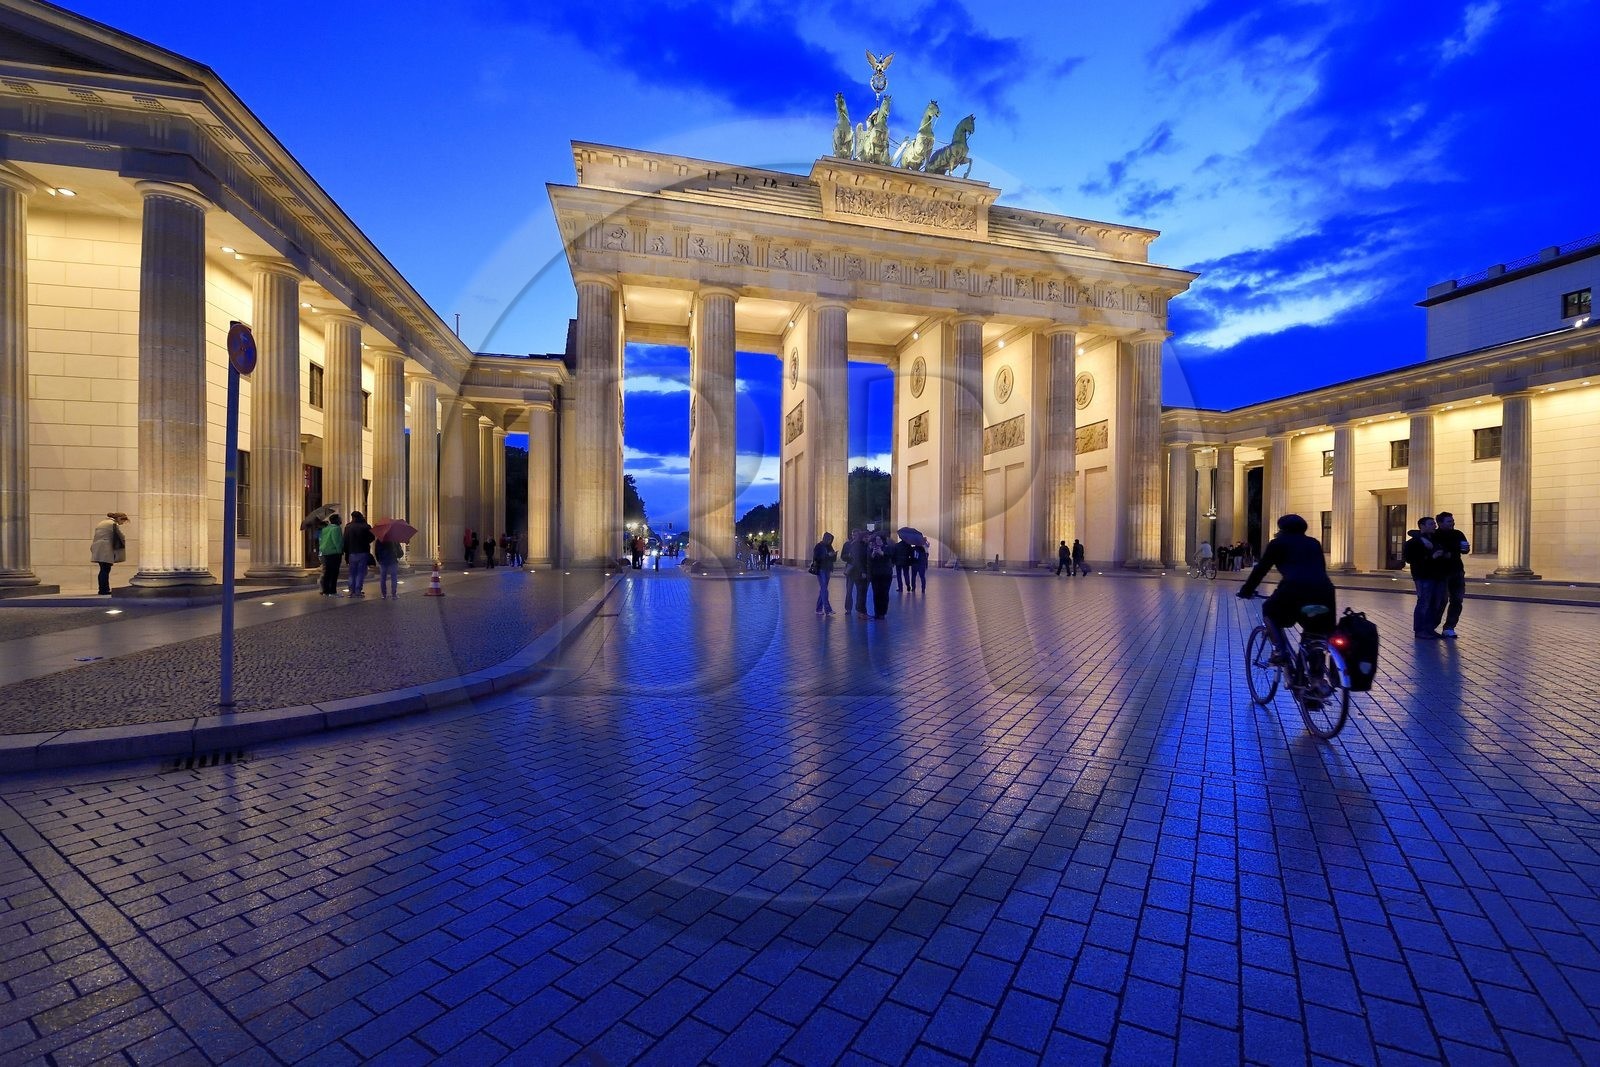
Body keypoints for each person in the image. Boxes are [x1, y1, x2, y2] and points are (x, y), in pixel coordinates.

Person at [1237, 514, 1338, 684]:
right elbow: (1319, 569)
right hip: (1325, 592)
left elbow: (1261, 570)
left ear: (1282, 528)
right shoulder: (1314, 543)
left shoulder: (1278, 544)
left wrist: (1246, 590)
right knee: (1314, 634)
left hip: (1294, 590)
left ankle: (1279, 650)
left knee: (1269, 610)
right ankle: (1316, 680)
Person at [1403, 516, 1448, 639]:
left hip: (1438, 576)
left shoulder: (1435, 539)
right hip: (1423, 576)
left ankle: (1429, 628)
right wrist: (1431, 557)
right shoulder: (1412, 543)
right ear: (1422, 526)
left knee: (1438, 602)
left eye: (1434, 523)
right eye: (1431, 524)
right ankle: (1420, 630)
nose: (1434, 525)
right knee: (1424, 602)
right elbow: (1410, 559)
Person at [1435, 511, 1469, 638]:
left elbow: (1463, 550)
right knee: (1441, 600)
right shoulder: (1435, 535)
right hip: (1442, 573)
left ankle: (1449, 627)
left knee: (1457, 600)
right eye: (1449, 521)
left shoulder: (1458, 534)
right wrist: (1449, 551)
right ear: (1440, 523)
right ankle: (1432, 626)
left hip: (1457, 570)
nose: (1452, 523)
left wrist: (1465, 549)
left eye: (1452, 521)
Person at [89, 511, 129, 595]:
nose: (122, 523)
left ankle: (102, 589)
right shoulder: (113, 524)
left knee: (103, 569)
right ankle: (104, 590)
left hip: (98, 547)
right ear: (119, 519)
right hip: (105, 548)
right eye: (123, 521)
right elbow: (120, 536)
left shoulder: (103, 522)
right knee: (105, 570)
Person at [343, 511, 375, 597]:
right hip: (363, 552)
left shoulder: (348, 527)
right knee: (360, 572)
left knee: (352, 573)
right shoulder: (365, 526)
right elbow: (372, 537)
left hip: (352, 552)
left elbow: (345, 541)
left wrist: (346, 552)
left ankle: (351, 590)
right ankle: (358, 590)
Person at [868, 530, 895, 618]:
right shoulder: (873, 548)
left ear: (883, 540)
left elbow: (890, 557)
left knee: (884, 593)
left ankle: (882, 613)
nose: (877, 541)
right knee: (876, 593)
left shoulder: (887, 548)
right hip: (875, 575)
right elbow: (869, 561)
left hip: (885, 575)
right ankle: (877, 612)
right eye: (876, 540)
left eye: (879, 540)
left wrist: (882, 553)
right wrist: (873, 554)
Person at [318, 513, 344, 596]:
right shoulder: (336, 529)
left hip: (325, 552)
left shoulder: (325, 529)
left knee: (327, 573)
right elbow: (337, 541)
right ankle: (332, 591)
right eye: (340, 519)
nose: (341, 520)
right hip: (334, 553)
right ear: (337, 520)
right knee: (334, 573)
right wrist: (340, 551)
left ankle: (326, 591)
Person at [813, 532, 838, 616]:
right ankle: (828, 610)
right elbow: (816, 558)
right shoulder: (818, 546)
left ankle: (818, 609)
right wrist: (827, 555)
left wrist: (834, 555)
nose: (830, 541)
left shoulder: (829, 546)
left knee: (823, 590)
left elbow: (833, 559)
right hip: (821, 570)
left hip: (828, 569)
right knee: (824, 589)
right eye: (829, 539)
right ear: (825, 538)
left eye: (831, 540)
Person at [840, 528, 862, 615]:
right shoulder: (847, 544)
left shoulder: (861, 544)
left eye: (856, 535)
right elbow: (842, 556)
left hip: (859, 570)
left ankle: (859, 608)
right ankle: (848, 608)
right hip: (850, 570)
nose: (854, 537)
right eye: (853, 535)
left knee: (859, 591)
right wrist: (848, 556)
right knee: (849, 591)